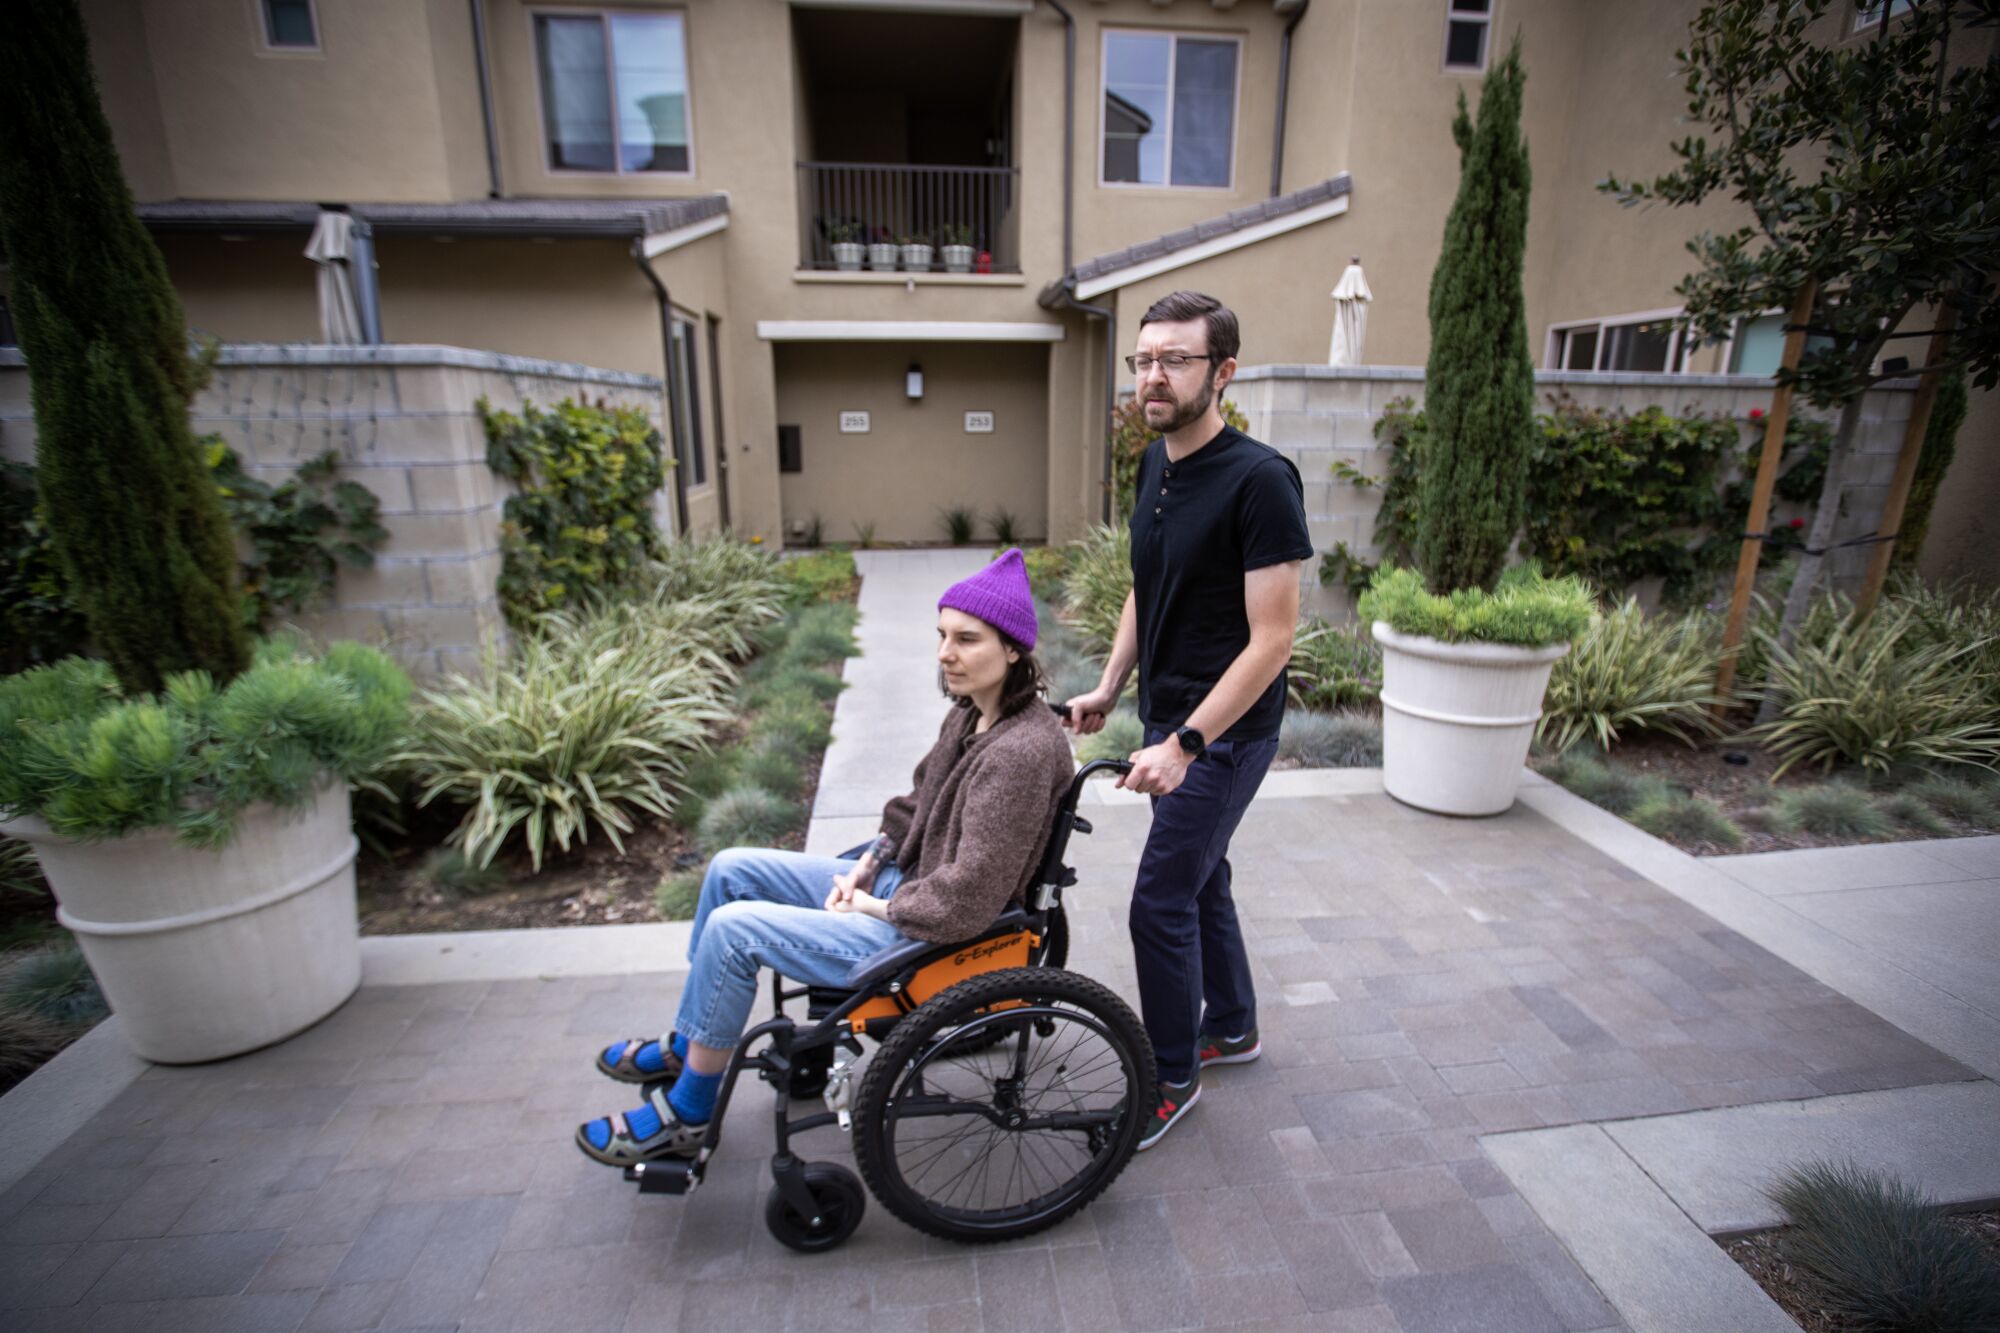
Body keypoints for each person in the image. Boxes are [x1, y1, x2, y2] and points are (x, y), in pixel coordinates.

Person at [578, 549, 1075, 1166]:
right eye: (942, 635)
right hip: (905, 887)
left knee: (736, 933)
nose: (945, 653)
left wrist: (869, 903)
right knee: (731, 867)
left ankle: (690, 1110)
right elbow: (915, 804)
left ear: (1012, 652)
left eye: (966, 639)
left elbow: (969, 894)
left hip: (932, 932)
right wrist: (871, 861)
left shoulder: (1019, 753)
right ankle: (691, 1040)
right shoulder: (972, 715)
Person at [1065, 291, 1311, 1150]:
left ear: (1224, 372)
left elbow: (1273, 640)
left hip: (1226, 734)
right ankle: (1233, 1024)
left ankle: (1171, 1076)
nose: (1153, 376)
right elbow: (1148, 583)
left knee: (1157, 902)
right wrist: (1108, 686)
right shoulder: (1153, 465)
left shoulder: (1261, 480)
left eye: (1175, 359)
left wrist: (1186, 743)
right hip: (1169, 721)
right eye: (1143, 360)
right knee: (1202, 877)